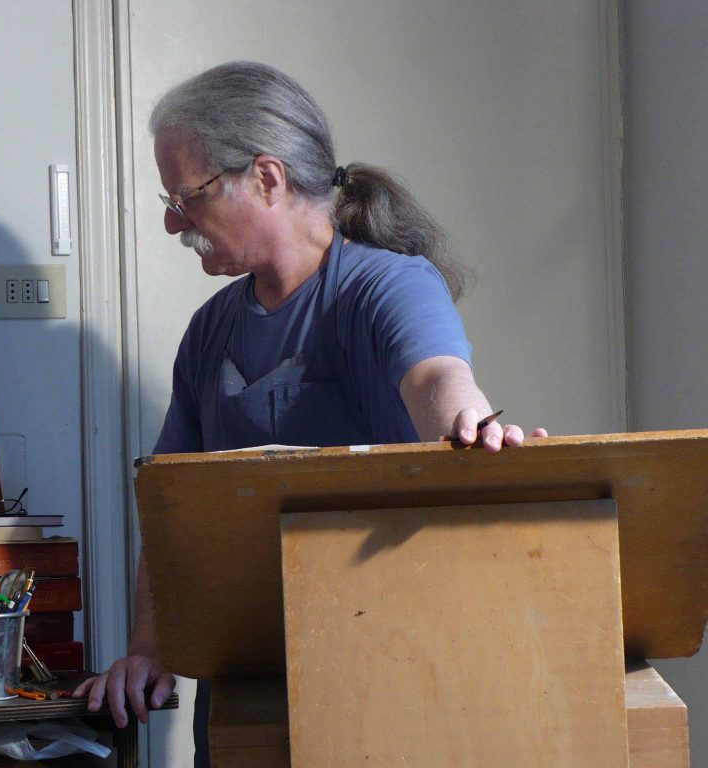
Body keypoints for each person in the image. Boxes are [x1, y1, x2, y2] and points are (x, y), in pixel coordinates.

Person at [73, 60, 546, 764]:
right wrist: (148, 648)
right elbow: (172, 509)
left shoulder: (386, 286)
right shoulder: (209, 330)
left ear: (267, 178)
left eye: (188, 197)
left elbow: (438, 378)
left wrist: (469, 430)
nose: (173, 222)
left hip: (384, 677)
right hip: (245, 691)